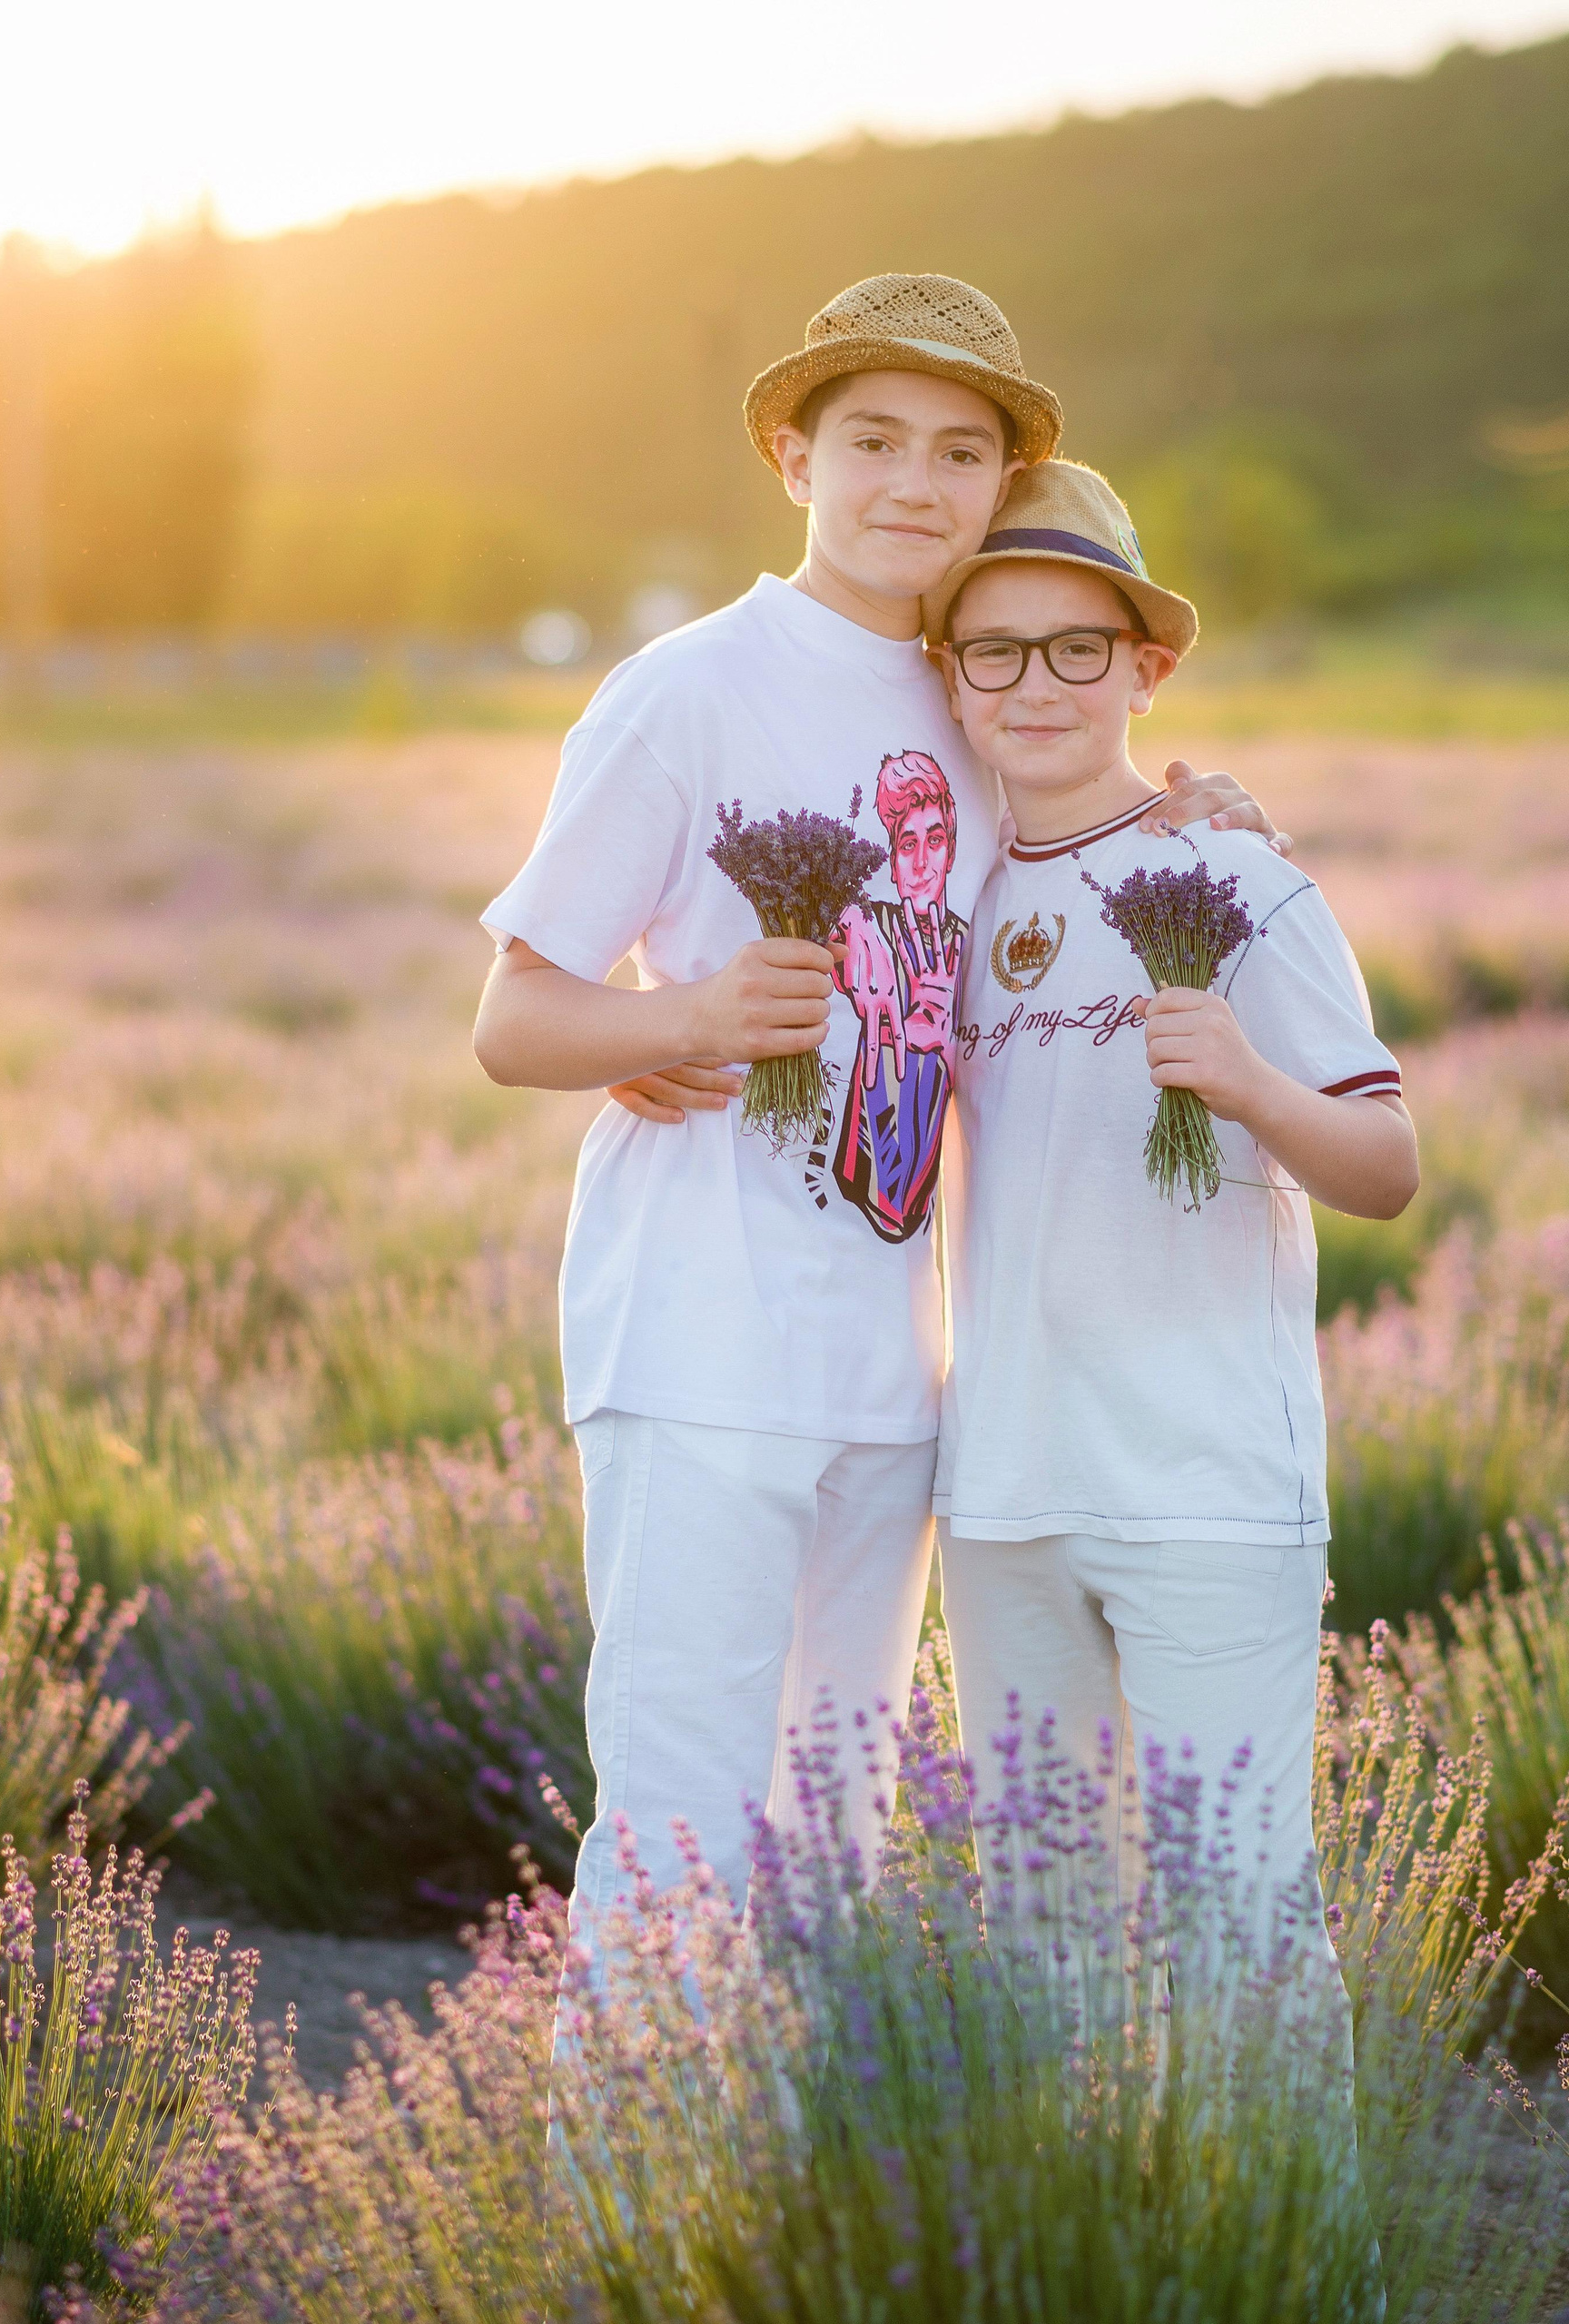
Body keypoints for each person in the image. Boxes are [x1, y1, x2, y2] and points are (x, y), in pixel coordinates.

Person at [471, 275, 1284, 1960]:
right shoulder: (687, 689)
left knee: (824, 1845)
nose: (915, 484)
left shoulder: (979, 703)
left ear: (1003, 486)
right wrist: (677, 1016)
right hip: (701, 1343)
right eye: (875, 441)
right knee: (684, 1821)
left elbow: (1080, 847)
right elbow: (515, 1015)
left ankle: (768, 2224)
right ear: (795, 455)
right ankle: (627, 2223)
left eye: (961, 452)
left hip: (895, 1371)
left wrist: (1200, 812)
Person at [923, 456, 1417, 2041]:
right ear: (952, 677)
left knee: (1241, 1946)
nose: (1035, 683)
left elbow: (1387, 1168)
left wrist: (1249, 1083)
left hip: (1202, 1494)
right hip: (999, 1490)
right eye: (992, 649)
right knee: (1040, 1952)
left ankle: (1293, 2286)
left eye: (1079, 645)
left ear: (1149, 666)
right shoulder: (945, 900)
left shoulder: (1239, 879)